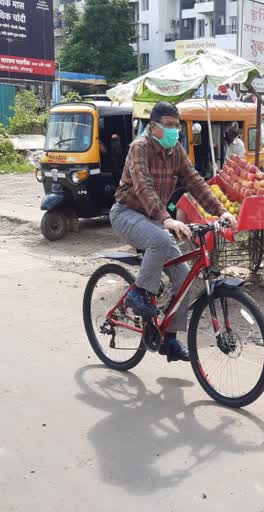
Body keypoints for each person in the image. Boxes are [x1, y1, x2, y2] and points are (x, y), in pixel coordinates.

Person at [109, 102, 238, 363]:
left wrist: (220, 210)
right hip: (127, 214)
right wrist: (167, 220)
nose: (173, 131)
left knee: (184, 276)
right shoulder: (140, 148)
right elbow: (144, 187)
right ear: (153, 126)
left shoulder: (175, 150)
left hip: (155, 220)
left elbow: (194, 181)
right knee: (160, 238)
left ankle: (169, 340)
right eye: (167, 125)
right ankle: (138, 293)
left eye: (176, 126)